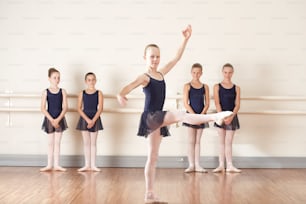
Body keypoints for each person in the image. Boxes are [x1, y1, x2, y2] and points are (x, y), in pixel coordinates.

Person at [117, 25, 233, 203]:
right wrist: (120, 94)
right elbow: (129, 86)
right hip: (150, 116)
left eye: (157, 56)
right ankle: (214, 117)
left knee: (153, 156)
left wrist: (185, 39)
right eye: (152, 56)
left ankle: (149, 194)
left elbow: (176, 58)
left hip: (155, 118)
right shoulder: (144, 76)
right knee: (181, 114)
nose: (155, 60)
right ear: (145, 58)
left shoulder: (161, 73)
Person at [213, 63, 241, 173]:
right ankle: (221, 165)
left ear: (232, 73)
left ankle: (229, 165)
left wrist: (231, 116)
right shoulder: (217, 86)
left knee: (229, 142)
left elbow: (237, 104)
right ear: (222, 72)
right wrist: (222, 117)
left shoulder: (237, 88)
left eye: (230, 72)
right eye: (225, 72)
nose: (227, 74)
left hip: (232, 116)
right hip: (221, 116)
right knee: (221, 142)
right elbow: (217, 102)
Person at [182, 63, 210, 173]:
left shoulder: (205, 87)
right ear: (191, 73)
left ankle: (198, 165)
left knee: (198, 141)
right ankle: (191, 165)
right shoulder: (187, 86)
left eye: (198, 73)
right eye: (194, 72)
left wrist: (201, 116)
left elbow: (207, 103)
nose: (196, 74)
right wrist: (194, 116)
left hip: (201, 115)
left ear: (201, 73)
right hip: (190, 115)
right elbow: (186, 103)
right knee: (191, 141)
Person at [40, 68, 68, 172]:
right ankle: (49, 165)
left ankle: (56, 165)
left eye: (58, 78)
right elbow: (42, 108)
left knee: (57, 142)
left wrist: (58, 119)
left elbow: (65, 107)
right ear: (49, 79)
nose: (57, 79)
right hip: (49, 119)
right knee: (50, 143)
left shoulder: (63, 91)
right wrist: (52, 120)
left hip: (60, 118)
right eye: (54, 77)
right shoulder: (46, 92)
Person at [76, 72, 104, 172]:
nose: (91, 81)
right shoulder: (82, 93)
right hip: (84, 118)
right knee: (86, 143)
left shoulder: (99, 93)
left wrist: (93, 120)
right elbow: (79, 108)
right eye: (89, 80)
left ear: (95, 81)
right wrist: (88, 120)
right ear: (85, 81)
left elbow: (100, 108)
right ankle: (87, 164)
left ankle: (93, 165)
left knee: (93, 143)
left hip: (95, 118)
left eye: (93, 79)